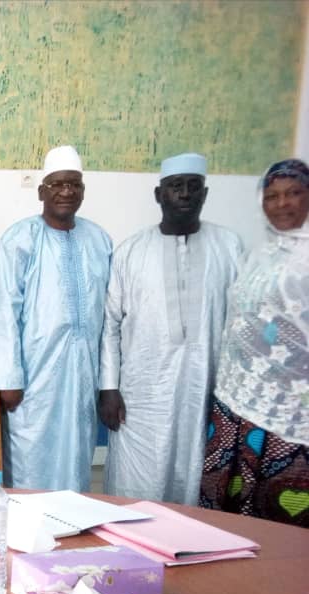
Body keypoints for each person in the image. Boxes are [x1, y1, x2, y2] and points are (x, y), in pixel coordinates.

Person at [99, 153, 242, 505]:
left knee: (193, 475)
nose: (185, 194)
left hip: (204, 388)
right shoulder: (130, 252)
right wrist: (108, 388)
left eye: (193, 186)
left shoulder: (229, 246)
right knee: (137, 481)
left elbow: (242, 323)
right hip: (141, 394)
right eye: (176, 186)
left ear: (205, 194)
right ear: (158, 194)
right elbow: (110, 325)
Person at [0, 145, 112, 491]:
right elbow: (5, 310)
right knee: (30, 457)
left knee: (77, 455)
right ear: (41, 191)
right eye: (58, 184)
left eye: (74, 184)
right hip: (33, 377)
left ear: (83, 191)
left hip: (83, 374)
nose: (66, 192)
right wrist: (9, 378)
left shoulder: (99, 240)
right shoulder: (19, 239)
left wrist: (107, 383)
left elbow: (109, 317)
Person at [200, 159, 309, 526]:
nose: (283, 203)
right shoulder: (260, 253)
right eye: (272, 196)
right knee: (229, 508)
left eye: (294, 193)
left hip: (290, 412)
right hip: (237, 401)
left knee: (279, 514)